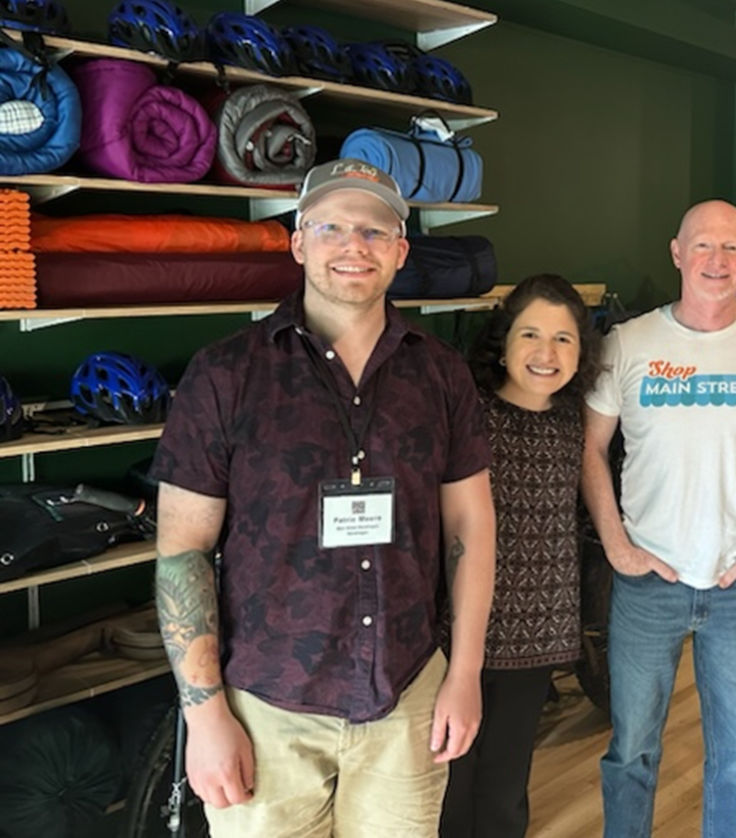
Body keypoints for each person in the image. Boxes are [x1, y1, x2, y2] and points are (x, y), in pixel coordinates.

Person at [152, 157, 496, 838]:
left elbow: (471, 526)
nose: (352, 246)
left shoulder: (441, 373)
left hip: (407, 699)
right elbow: (182, 552)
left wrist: (465, 672)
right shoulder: (225, 374)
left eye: (373, 231)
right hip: (266, 706)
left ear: (400, 252)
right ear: (299, 241)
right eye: (331, 226)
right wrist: (204, 714)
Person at [582, 199, 736, 838]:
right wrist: (617, 546)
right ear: (677, 252)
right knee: (631, 749)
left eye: (731, 248)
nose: (717, 260)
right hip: (646, 583)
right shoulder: (628, 344)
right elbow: (589, 448)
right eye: (703, 246)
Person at [440, 273, 602, 838]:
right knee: (451, 776)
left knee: (508, 777)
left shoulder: (576, 423)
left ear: (582, 353)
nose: (545, 352)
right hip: (457, 627)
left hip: (536, 630)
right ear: (503, 341)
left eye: (564, 339)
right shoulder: (468, 415)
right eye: (531, 334)